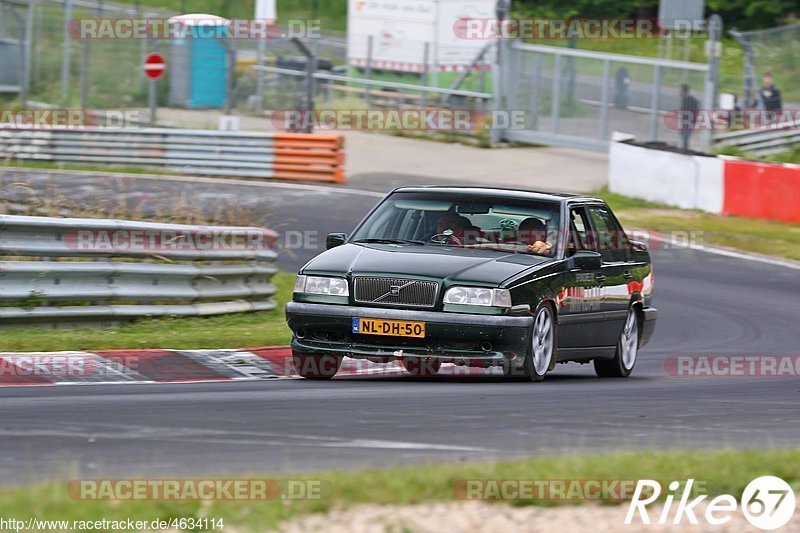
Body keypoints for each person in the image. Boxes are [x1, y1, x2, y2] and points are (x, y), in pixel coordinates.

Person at [679, 84, 699, 151]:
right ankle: (684, 150)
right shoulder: (685, 99)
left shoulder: (691, 100)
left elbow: (694, 113)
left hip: (688, 123)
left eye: (680, 90)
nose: (679, 92)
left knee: (685, 138)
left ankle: (684, 151)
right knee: (684, 137)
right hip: (685, 123)